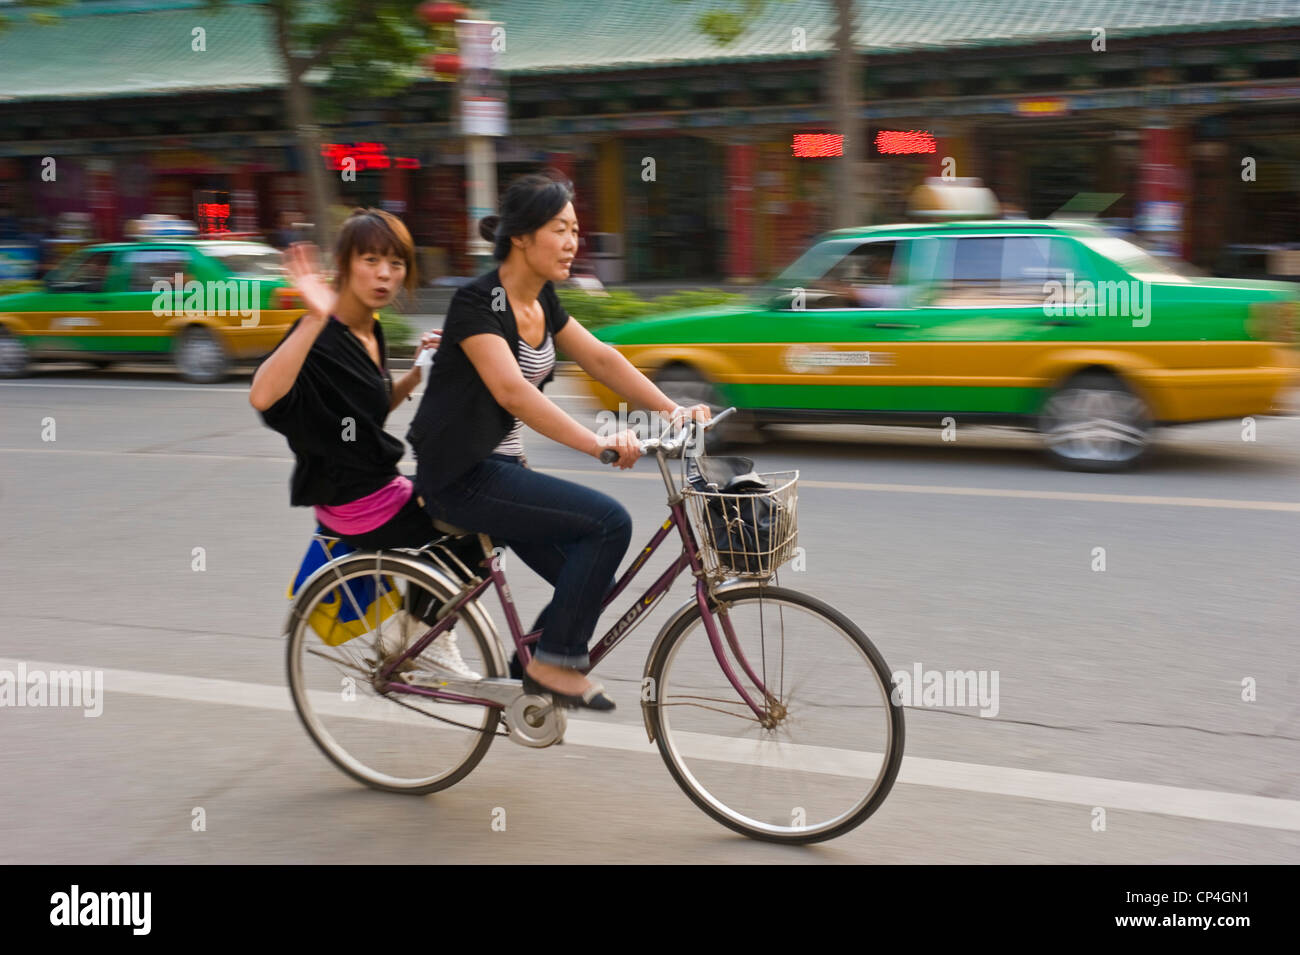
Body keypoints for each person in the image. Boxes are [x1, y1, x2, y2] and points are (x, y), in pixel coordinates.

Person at [408, 172, 710, 711]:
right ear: (521, 235)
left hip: (504, 472)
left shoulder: (543, 299)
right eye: (560, 228)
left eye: (576, 230)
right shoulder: (478, 303)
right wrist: (598, 444)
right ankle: (552, 665)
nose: (573, 242)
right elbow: (513, 393)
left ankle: (528, 677)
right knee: (608, 524)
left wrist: (673, 410)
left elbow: (601, 358)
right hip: (461, 474)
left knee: (589, 572)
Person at [250, 207, 482, 679]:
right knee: (485, 513)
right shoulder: (319, 332)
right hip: (354, 500)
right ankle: (421, 634)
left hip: (375, 487)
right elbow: (263, 394)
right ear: (345, 264)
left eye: (395, 263)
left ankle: (417, 628)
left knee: (488, 495)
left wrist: (416, 372)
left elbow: (367, 415)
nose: (384, 274)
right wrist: (314, 318)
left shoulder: (369, 330)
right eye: (371, 259)